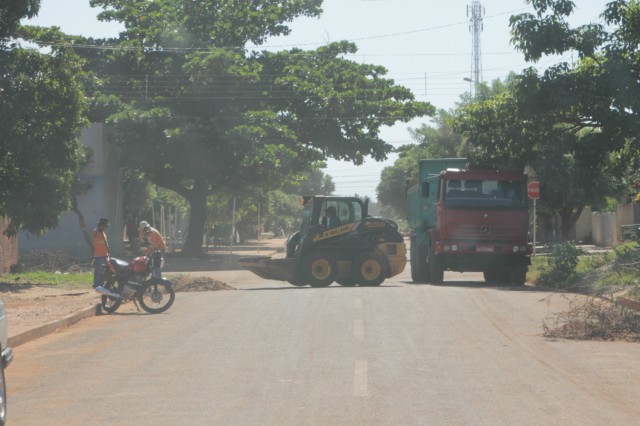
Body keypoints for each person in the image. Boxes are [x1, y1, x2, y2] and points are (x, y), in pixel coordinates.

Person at [92, 218, 119, 297]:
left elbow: (105, 243)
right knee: (99, 271)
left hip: (105, 254)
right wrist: (99, 231)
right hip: (99, 255)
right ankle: (97, 285)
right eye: (105, 226)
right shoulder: (96, 232)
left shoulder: (103, 233)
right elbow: (94, 241)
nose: (106, 228)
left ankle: (101, 285)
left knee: (105, 271)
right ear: (102, 225)